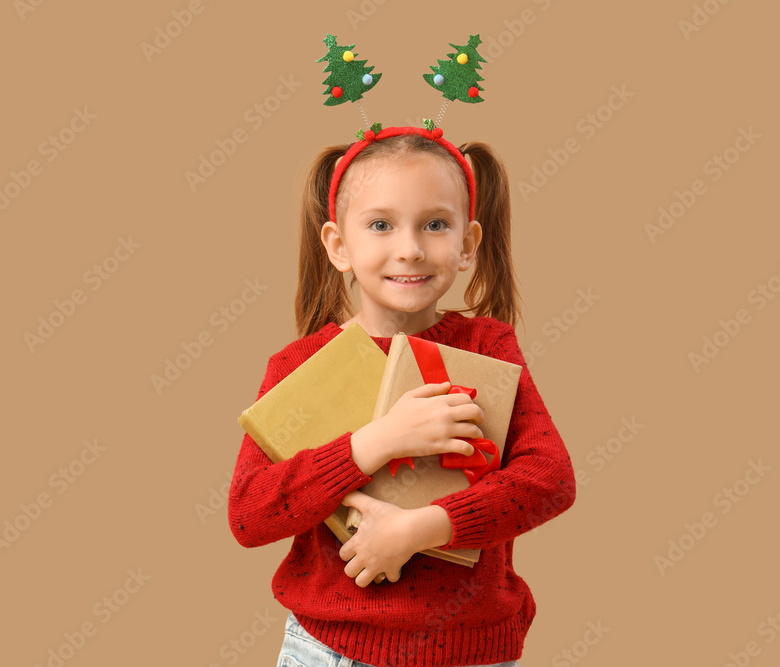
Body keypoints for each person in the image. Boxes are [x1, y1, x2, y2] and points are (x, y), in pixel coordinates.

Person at [228, 126, 576, 667]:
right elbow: (251, 514)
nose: (410, 250)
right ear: (338, 246)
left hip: (473, 652)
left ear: (467, 245)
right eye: (381, 225)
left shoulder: (490, 348)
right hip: (329, 650)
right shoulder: (297, 367)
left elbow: (550, 480)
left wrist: (421, 528)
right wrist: (375, 442)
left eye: (435, 225)